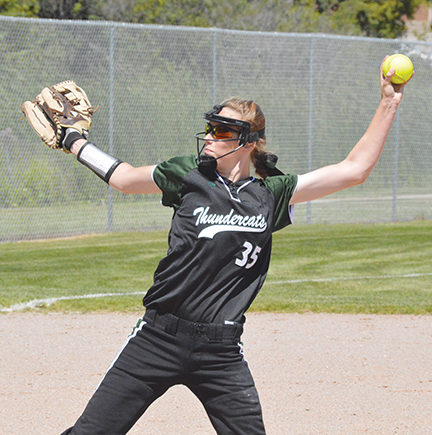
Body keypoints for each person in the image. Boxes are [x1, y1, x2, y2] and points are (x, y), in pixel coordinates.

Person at [60, 57, 410, 435]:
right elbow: (125, 178)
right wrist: (74, 141)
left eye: (223, 130)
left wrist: (389, 102)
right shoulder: (188, 175)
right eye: (211, 127)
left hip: (220, 351)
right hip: (158, 338)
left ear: (249, 142)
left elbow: (355, 169)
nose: (211, 136)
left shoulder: (270, 194)